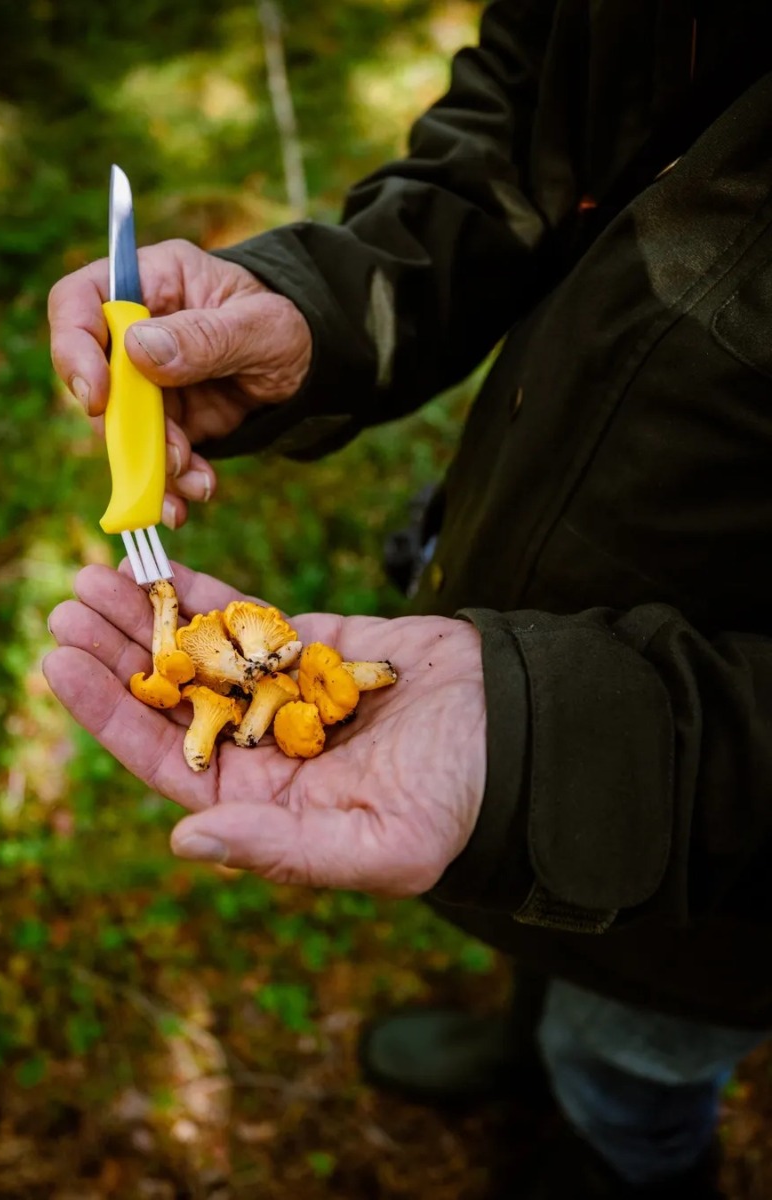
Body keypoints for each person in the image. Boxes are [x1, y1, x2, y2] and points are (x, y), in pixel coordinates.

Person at [44, 2, 772, 1195]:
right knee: (544, 939)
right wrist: (311, 307)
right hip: (517, 606)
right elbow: (517, 136)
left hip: (718, 903)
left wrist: (553, 751)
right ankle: (524, 1042)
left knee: (628, 1079)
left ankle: (602, 1145)